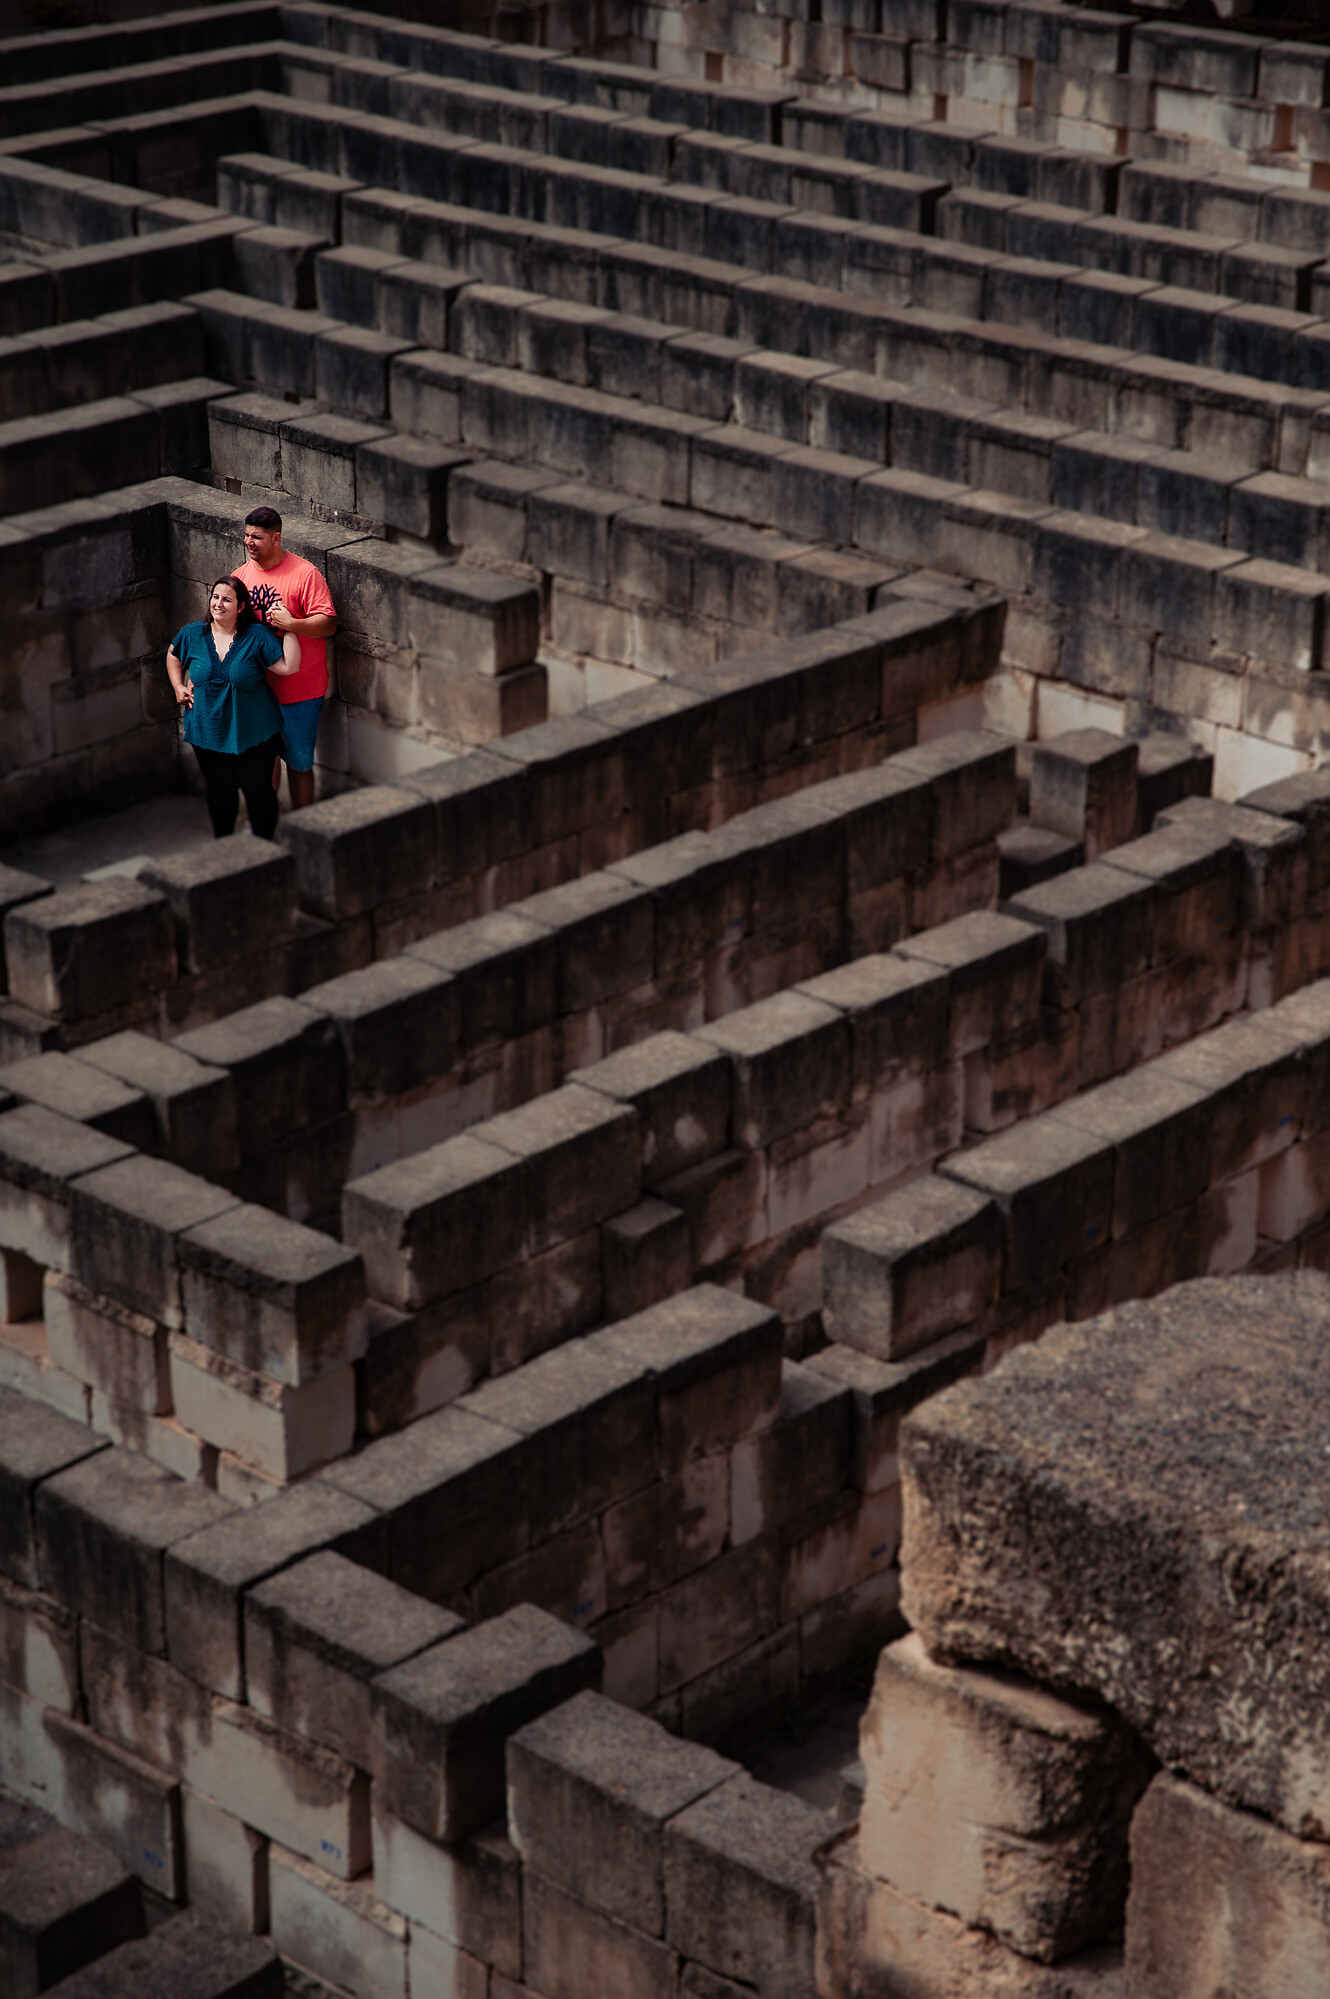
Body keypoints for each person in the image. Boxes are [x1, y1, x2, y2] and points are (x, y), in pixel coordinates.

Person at [166, 576, 301, 841]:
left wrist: (291, 628)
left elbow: (289, 666)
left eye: (227, 599)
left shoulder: (256, 636)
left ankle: (264, 848)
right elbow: (172, 654)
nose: (218, 604)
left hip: (254, 731)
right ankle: (225, 853)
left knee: (257, 791)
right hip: (207, 731)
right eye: (215, 597)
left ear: (241, 607)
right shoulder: (194, 633)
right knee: (220, 791)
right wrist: (177, 686)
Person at [234, 505, 338, 812]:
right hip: (257, 693)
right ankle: (265, 829)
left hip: (301, 693)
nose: (249, 542)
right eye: (247, 535)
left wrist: (291, 624)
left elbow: (328, 623)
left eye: (257, 537)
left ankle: (303, 826)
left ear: (276, 538)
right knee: (262, 764)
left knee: (299, 763)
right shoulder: (240, 577)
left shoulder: (305, 574)